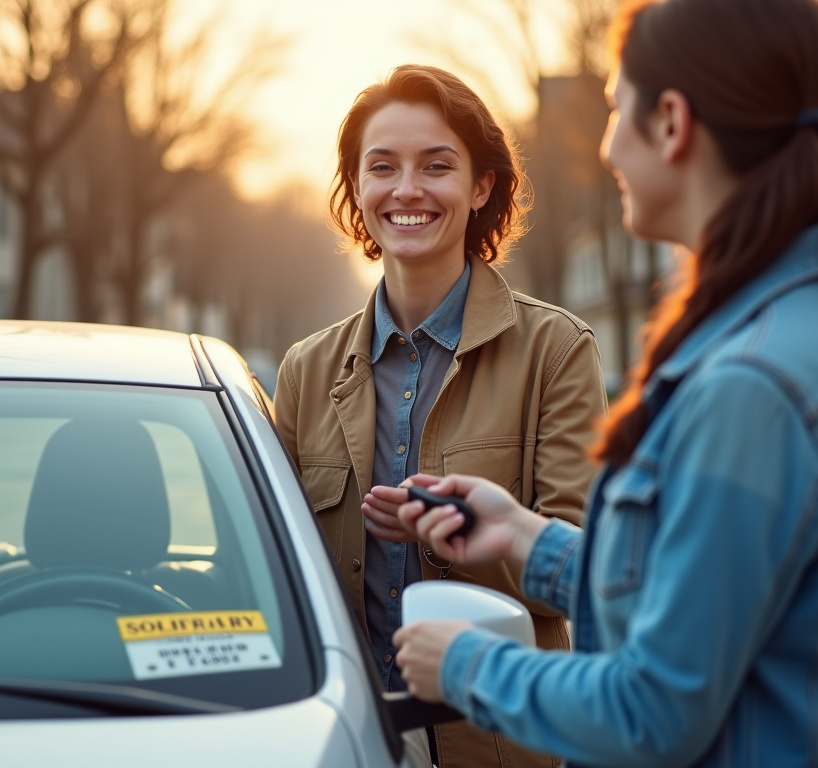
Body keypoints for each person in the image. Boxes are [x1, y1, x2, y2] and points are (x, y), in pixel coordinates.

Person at [389, 1, 818, 766]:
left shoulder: (752, 386)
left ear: (672, 123)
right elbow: (730, 606)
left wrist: (464, 665)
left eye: (618, 109)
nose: (608, 146)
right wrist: (528, 538)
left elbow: (652, 712)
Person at [275, 64, 607, 768]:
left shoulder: (557, 352)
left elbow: (584, 565)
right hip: (345, 741)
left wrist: (462, 537)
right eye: (382, 167)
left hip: (503, 743)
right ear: (357, 188)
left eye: (436, 166)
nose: (407, 190)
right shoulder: (304, 371)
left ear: (481, 186)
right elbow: (280, 575)